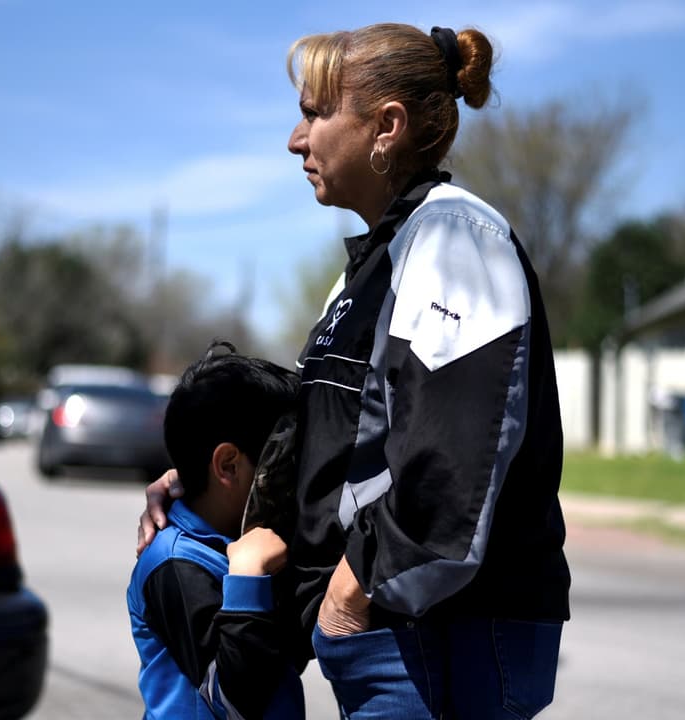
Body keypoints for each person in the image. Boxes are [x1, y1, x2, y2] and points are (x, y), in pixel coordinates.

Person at [139, 23, 570, 719]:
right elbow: (318, 433)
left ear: (386, 127)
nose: (295, 139)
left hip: (437, 637)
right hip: (393, 636)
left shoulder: (455, 238)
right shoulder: (375, 266)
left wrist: (351, 592)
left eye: (314, 113)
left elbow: (456, 458)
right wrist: (195, 482)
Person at [128, 341, 307, 719]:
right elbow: (234, 700)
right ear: (227, 465)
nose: (295, 478)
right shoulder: (175, 563)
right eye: (286, 460)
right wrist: (246, 579)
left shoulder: (247, 538)